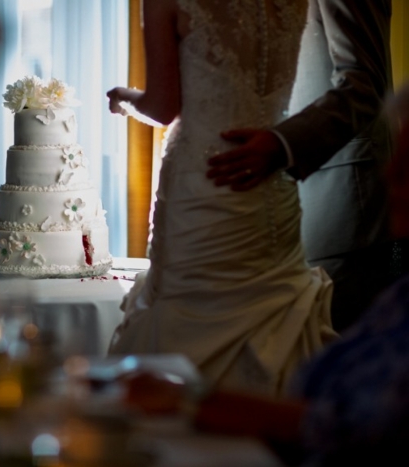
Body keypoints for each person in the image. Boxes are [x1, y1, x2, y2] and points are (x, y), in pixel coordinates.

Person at [120, 88, 409, 464]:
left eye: (407, 166)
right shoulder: (398, 300)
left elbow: (347, 426)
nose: (390, 174)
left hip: (277, 187)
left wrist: (189, 400)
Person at [105, 0, 337, 396]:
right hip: (271, 178)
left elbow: (162, 108)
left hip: (202, 188)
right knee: (273, 313)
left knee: (185, 317)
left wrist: (123, 99)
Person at [205, 0, 394, 333]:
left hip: (341, 203)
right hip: (273, 202)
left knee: (336, 358)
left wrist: (282, 144)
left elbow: (364, 83)